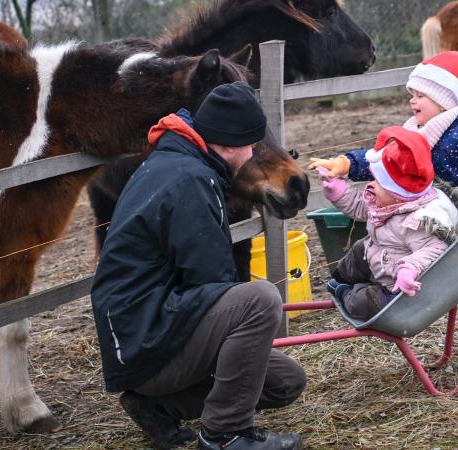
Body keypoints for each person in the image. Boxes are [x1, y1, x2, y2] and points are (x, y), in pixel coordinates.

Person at [90, 82, 306, 450]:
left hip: (150, 331)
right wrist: (242, 328)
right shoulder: (191, 182)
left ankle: (156, 406)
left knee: (285, 381)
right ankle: (226, 434)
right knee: (260, 300)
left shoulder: (180, 164)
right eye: (252, 145)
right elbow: (214, 282)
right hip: (146, 341)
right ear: (230, 145)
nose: (254, 152)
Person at [309, 51, 458, 222]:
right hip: (425, 206)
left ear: (443, 102)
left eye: (420, 96)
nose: (412, 101)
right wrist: (345, 163)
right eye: (412, 95)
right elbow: (386, 158)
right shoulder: (418, 131)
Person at [317, 127, 458, 320]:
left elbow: (436, 249)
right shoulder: (392, 202)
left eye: (378, 182)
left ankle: (346, 292)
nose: (371, 185)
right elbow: (361, 207)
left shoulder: (423, 219)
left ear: (396, 193)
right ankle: (339, 279)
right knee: (359, 249)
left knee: (367, 303)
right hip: (381, 258)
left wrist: (409, 268)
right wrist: (338, 191)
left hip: (398, 285)